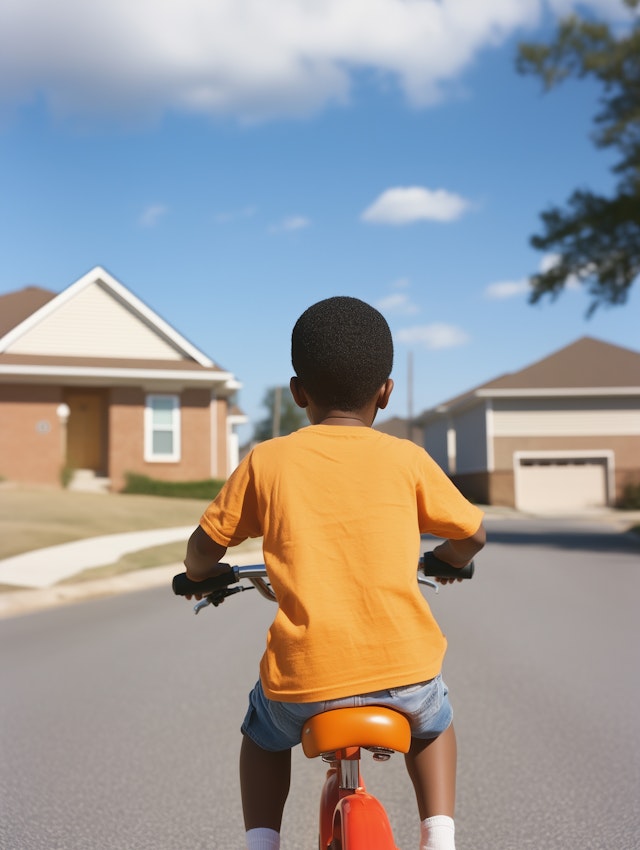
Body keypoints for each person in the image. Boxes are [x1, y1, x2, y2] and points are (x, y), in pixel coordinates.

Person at [182, 296, 486, 850]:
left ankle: (261, 844)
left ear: (299, 392)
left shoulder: (266, 461)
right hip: (406, 679)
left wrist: (201, 573)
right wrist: (447, 561)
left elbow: (205, 547)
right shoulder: (407, 459)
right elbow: (472, 535)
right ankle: (439, 836)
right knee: (435, 723)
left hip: (302, 686)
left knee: (262, 737)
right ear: (386, 391)